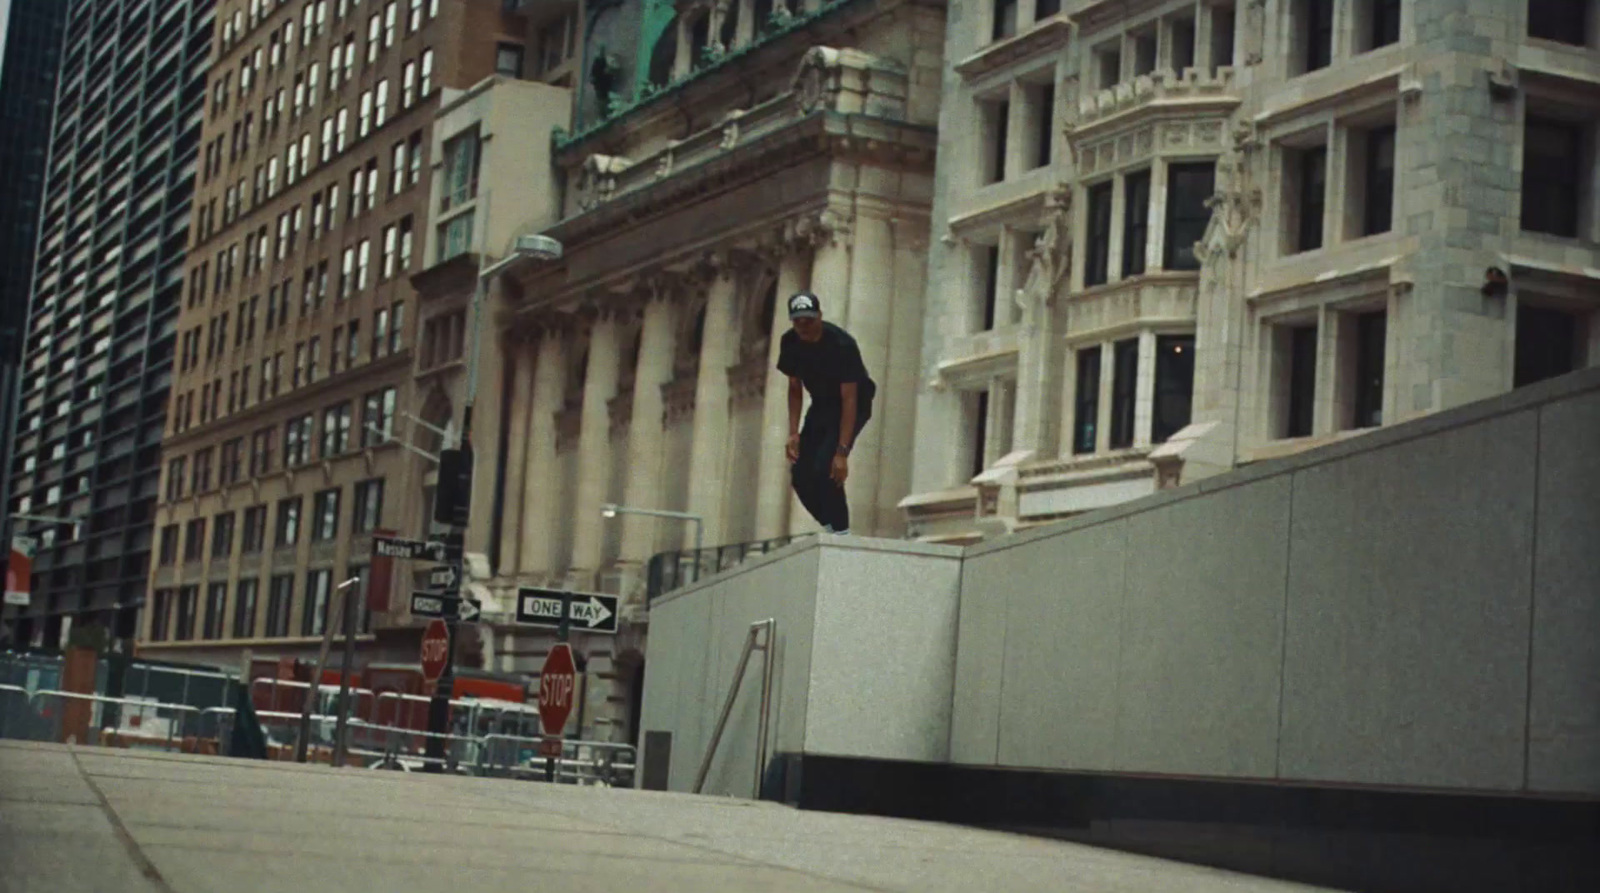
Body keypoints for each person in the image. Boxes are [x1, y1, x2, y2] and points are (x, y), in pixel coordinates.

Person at [777, 291, 877, 535]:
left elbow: (850, 399)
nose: (804, 329)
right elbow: (794, 388)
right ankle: (831, 527)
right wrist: (793, 432)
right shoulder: (790, 342)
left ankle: (843, 533)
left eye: (809, 322)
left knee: (826, 467)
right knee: (800, 475)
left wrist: (842, 452)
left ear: (820, 317)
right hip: (822, 403)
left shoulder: (842, 345)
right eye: (798, 323)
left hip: (854, 403)